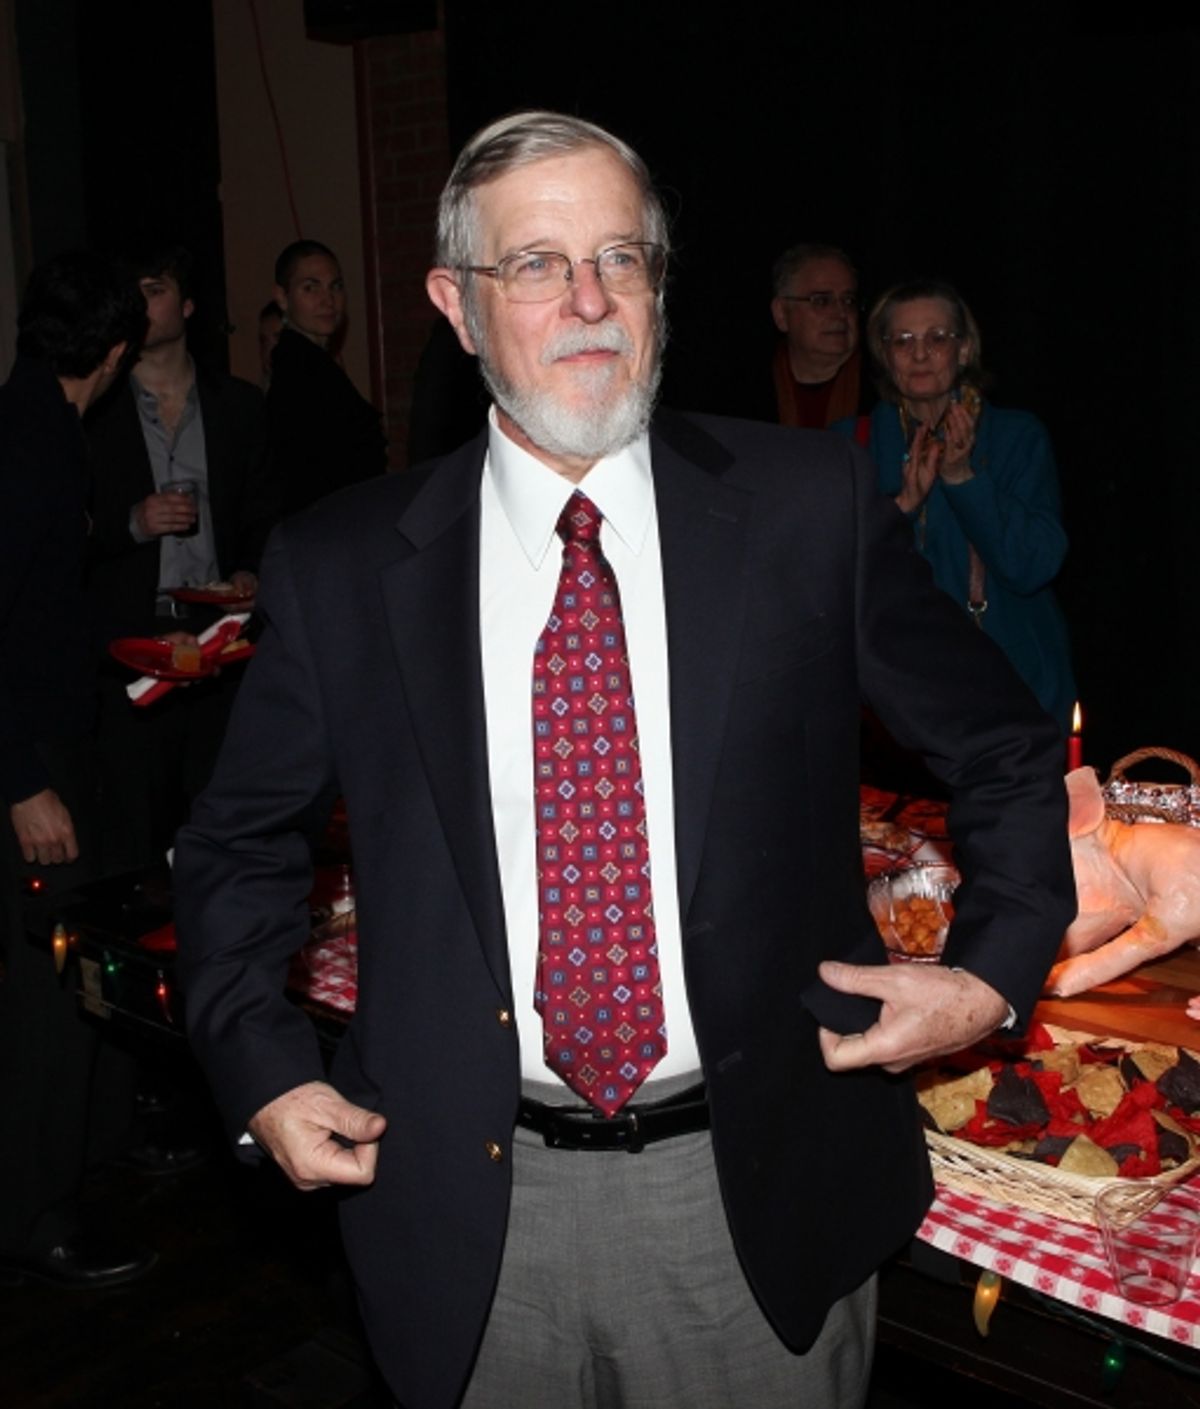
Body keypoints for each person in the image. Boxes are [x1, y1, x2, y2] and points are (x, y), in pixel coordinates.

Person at [175, 113, 1075, 1409]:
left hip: (749, 1203)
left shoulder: (805, 506)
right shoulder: (346, 566)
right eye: (536, 265)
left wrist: (993, 972)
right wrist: (258, 1061)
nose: (590, 300)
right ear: (457, 305)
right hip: (465, 1210)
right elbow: (236, 842)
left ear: (661, 283)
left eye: (623, 259)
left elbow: (1003, 743)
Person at [0, 250, 154, 1288]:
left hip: (58, 730)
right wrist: (19, 779)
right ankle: (32, 1214)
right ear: (112, 349)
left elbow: (52, 602)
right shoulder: (26, 442)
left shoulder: (42, 428)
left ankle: (91, 1153)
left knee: (79, 962)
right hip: (27, 753)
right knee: (44, 991)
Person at [87, 245, 277, 873]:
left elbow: (264, 512)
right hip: (133, 646)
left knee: (221, 819)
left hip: (216, 641)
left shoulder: (239, 406)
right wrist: (132, 524)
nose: (139, 307)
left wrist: (251, 570)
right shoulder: (95, 413)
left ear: (188, 304)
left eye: (154, 290)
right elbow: (63, 539)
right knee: (136, 830)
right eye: (132, 293)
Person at [837, 278, 1076, 732]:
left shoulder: (1015, 437)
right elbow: (831, 579)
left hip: (1012, 695)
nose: (920, 353)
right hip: (897, 706)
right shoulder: (853, 443)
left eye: (937, 338)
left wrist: (964, 479)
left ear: (964, 350)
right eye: (902, 340)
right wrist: (902, 506)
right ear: (884, 355)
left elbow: (1032, 567)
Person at [266, 239, 387, 514]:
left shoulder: (314, 367)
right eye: (310, 288)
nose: (327, 300)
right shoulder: (298, 374)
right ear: (283, 298)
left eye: (336, 286)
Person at [769, 242, 865, 428]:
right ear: (781, 313)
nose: (841, 313)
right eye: (821, 301)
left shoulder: (887, 390)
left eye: (848, 300)